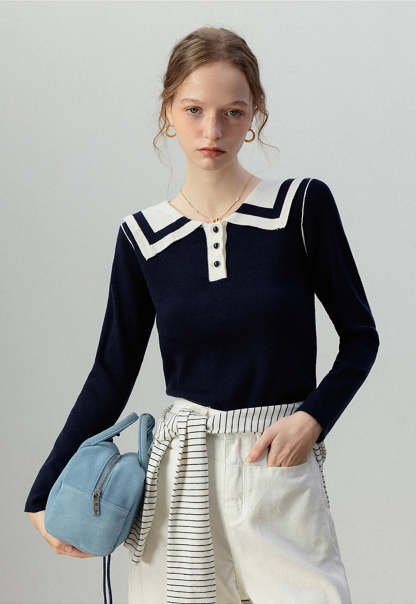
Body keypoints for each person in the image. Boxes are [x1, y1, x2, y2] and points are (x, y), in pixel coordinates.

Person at [25, 26, 379, 604]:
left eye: (232, 112)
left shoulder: (300, 208)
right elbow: (111, 372)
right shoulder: (143, 238)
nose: (212, 131)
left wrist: (313, 418)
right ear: (168, 110)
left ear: (254, 113)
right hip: (181, 472)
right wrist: (44, 492)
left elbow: (361, 338)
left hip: (275, 464)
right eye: (194, 110)